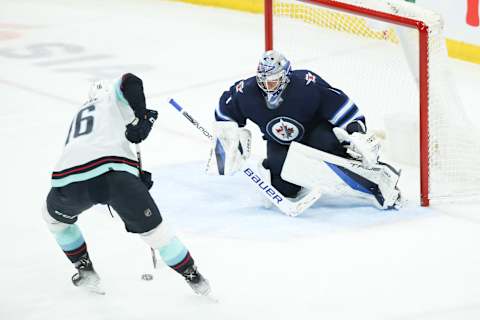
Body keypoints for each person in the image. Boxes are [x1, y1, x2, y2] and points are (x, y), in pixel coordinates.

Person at [43, 73, 211, 295]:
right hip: (114, 175)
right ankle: (195, 279)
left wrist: (134, 174)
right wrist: (141, 115)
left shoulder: (81, 113)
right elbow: (130, 81)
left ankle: (85, 270)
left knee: (55, 221)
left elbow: (92, 148)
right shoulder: (111, 98)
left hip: (70, 178)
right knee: (156, 234)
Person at [208, 50, 401, 211]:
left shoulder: (306, 84)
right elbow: (225, 111)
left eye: (273, 81)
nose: (267, 87)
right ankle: (272, 168)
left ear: (285, 76)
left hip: (313, 132)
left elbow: (339, 104)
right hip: (279, 142)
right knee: (284, 188)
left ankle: (367, 173)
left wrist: (356, 131)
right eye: (263, 81)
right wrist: (229, 136)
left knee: (330, 153)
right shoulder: (246, 91)